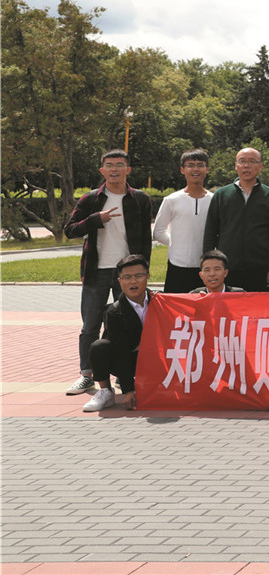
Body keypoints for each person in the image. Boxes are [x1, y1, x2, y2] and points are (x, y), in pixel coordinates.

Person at [66, 149, 156, 398]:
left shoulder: (140, 199)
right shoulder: (90, 199)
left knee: (129, 324)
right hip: (96, 271)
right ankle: (86, 374)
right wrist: (95, 219)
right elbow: (70, 230)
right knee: (90, 325)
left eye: (119, 164)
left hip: (127, 274)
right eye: (109, 165)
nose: (114, 169)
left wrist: (142, 271)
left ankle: (123, 376)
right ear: (102, 170)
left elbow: (145, 240)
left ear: (128, 169)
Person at [202, 147, 269, 293]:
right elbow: (210, 233)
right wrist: (208, 267)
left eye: (252, 161)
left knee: (257, 312)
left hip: (260, 269)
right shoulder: (221, 195)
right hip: (228, 269)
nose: (246, 166)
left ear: (260, 166)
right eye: (242, 161)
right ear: (236, 166)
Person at [81, 255, 153, 413]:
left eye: (139, 276)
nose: (133, 282)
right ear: (120, 281)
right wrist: (128, 391)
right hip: (126, 359)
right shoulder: (115, 311)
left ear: (147, 277)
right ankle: (106, 392)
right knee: (99, 347)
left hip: (153, 360)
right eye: (127, 277)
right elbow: (121, 352)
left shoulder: (159, 300)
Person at [153, 148, 213, 294]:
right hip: (177, 266)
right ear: (182, 170)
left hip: (206, 268)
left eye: (200, 165)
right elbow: (158, 232)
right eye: (190, 165)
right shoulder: (171, 200)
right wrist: (177, 245)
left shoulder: (214, 199)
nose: (195, 169)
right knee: (176, 312)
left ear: (207, 169)